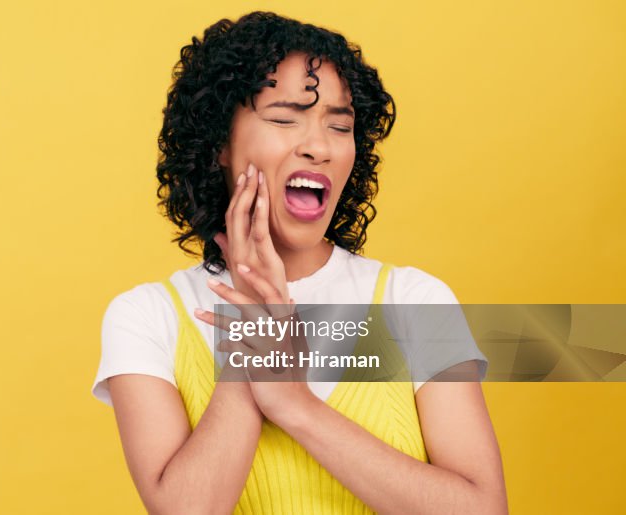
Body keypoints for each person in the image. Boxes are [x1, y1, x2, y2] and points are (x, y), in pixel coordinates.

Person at [91, 11, 508, 515]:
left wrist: (294, 404)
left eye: (340, 126)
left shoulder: (414, 301)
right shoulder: (146, 316)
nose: (319, 147)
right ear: (219, 143)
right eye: (285, 119)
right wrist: (255, 336)